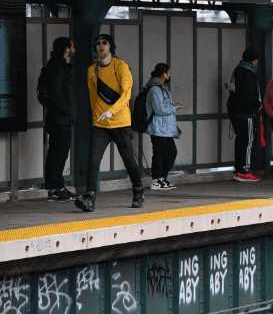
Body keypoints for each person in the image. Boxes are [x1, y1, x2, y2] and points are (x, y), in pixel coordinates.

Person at [75, 34, 145, 212]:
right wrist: (97, 115)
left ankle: (138, 191)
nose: (101, 46)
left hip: (120, 122)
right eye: (98, 43)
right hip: (101, 124)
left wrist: (111, 111)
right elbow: (93, 96)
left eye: (104, 43)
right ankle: (90, 197)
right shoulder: (92, 70)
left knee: (128, 160)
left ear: (111, 47)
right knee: (93, 161)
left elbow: (126, 95)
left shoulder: (121, 67)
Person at [42, 37, 77, 201]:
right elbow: (56, 94)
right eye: (72, 46)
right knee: (59, 153)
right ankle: (55, 188)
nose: (74, 49)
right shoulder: (58, 68)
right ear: (66, 49)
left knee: (58, 153)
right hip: (60, 119)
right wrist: (68, 112)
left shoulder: (55, 66)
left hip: (59, 118)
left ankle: (56, 186)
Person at [227, 48, 262, 183]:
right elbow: (248, 95)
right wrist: (257, 105)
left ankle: (238, 169)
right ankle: (244, 170)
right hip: (246, 112)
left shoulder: (237, 70)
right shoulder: (249, 73)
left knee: (240, 140)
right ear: (254, 60)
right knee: (248, 141)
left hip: (235, 111)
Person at [146, 62, 181, 190]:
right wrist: (174, 107)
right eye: (168, 72)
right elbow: (159, 109)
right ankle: (156, 180)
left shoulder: (162, 88)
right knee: (160, 154)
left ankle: (162, 178)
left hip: (165, 129)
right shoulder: (155, 89)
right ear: (163, 74)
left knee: (171, 153)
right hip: (158, 129)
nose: (169, 75)